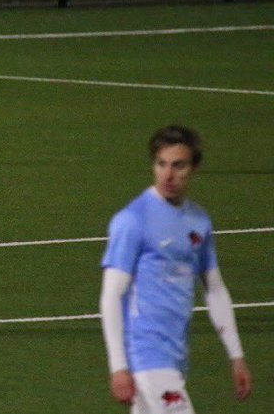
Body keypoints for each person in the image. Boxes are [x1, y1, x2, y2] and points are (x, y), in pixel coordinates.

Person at [99, 125, 252, 412]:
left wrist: (237, 356)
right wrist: (118, 365)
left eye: (178, 166)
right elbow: (111, 296)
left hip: (175, 356)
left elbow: (215, 290)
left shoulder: (198, 221)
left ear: (194, 168)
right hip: (145, 355)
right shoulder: (133, 220)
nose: (168, 175)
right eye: (161, 164)